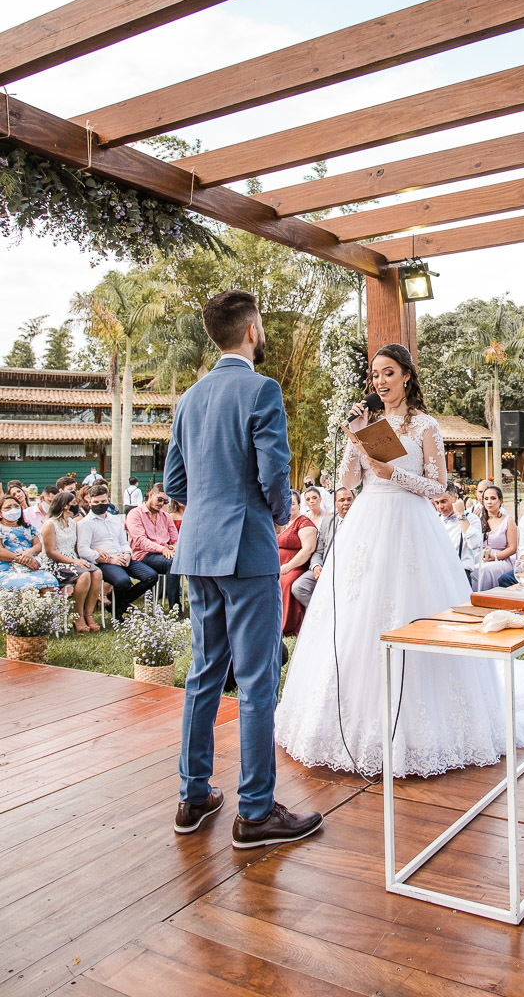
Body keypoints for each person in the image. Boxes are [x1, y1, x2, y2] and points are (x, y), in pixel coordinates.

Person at [276, 343, 524, 777]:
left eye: (388, 373)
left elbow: (438, 486)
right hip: (367, 526)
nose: (380, 382)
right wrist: (356, 433)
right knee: (359, 615)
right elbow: (349, 481)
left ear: (406, 376)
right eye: (374, 376)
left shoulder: (426, 425)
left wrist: (396, 474)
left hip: (412, 525)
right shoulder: (369, 424)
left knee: (419, 612)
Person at [163, 289, 322, 850]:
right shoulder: (261, 389)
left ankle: (193, 796)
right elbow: (274, 475)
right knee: (257, 681)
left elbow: (174, 485)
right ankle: (255, 812)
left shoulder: (189, 398)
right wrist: (280, 514)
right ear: (252, 330)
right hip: (248, 550)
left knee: (204, 673)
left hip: (197, 550)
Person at [77, 483, 157, 618]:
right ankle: (118, 614)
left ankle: (117, 604)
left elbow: (124, 542)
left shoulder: (114, 520)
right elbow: (83, 549)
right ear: (89, 502)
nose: (100, 504)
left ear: (108, 500)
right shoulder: (85, 523)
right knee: (123, 582)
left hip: (121, 556)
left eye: (103, 501)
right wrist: (108, 559)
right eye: (96, 502)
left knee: (151, 576)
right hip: (104, 561)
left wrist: (127, 554)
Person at [39, 491, 102, 631]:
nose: (77, 507)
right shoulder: (50, 524)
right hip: (55, 563)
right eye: (74, 503)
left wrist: (80, 559)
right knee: (84, 575)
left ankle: (89, 614)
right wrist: (74, 562)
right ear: (65, 506)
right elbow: (50, 552)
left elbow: (74, 547)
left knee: (97, 573)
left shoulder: (72, 524)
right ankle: (77, 615)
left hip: (72, 559)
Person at [291, 486, 354, 610]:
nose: (346, 503)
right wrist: (316, 566)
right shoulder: (327, 522)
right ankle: (323, 612)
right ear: (335, 503)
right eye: (341, 500)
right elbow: (318, 550)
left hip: (347, 568)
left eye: (349, 499)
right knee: (298, 587)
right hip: (325, 567)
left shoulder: (360, 522)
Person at [126, 486, 181, 611]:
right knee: (173, 563)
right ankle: (175, 608)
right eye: (160, 499)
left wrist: (174, 547)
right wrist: (162, 549)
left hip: (164, 554)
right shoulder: (135, 514)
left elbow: (176, 539)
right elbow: (140, 541)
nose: (162, 503)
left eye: (165, 501)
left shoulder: (166, 516)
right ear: (151, 494)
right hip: (143, 555)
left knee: (181, 559)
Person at [277, 491, 317, 634]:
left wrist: (288, 566)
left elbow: (308, 549)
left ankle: (288, 624)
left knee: (285, 582)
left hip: (296, 567)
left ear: (299, 505)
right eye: (286, 503)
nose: (289, 507)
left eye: (292, 503)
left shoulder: (304, 523)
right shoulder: (283, 522)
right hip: (280, 566)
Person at [0, 493, 58, 591]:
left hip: (31, 565)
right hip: (8, 568)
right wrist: (21, 559)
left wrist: (29, 553)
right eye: (8, 507)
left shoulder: (28, 527)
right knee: (29, 587)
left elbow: (38, 545)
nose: (13, 510)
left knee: (50, 584)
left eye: (16, 506)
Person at [434, 484, 482, 583]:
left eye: (443, 501)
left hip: (460, 572)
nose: (440, 507)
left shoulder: (471, 518)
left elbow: (474, 544)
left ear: (455, 497)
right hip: (438, 571)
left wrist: (461, 515)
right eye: (436, 502)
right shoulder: (434, 519)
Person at [472, 484, 517, 591]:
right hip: (479, 557)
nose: (489, 502)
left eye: (493, 498)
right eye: (486, 499)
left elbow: (512, 548)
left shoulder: (508, 521)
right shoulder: (478, 519)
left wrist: (495, 557)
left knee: (484, 570)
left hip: (500, 559)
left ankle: (484, 599)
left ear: (500, 500)